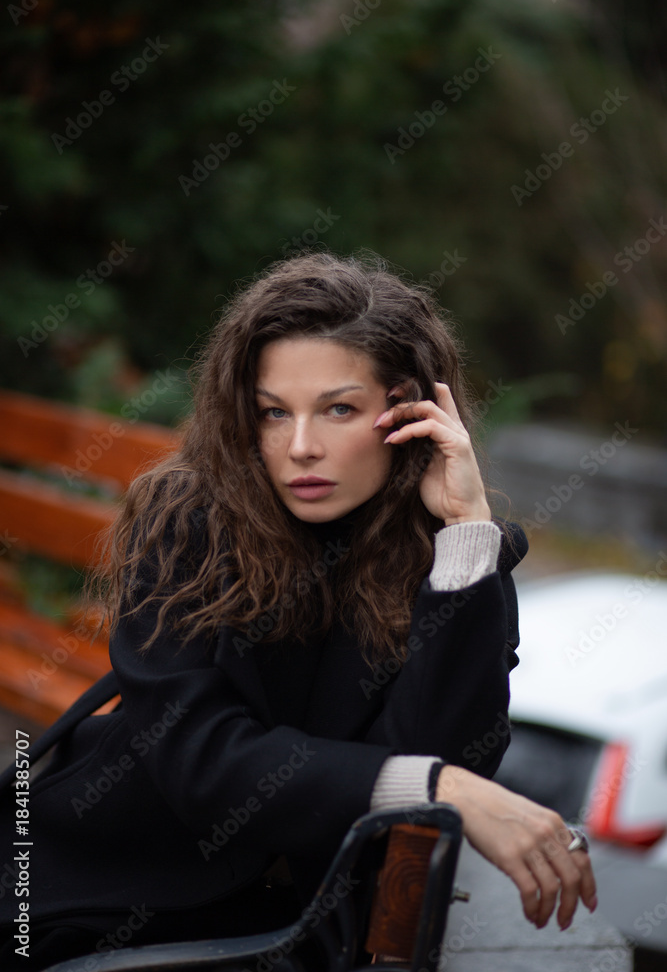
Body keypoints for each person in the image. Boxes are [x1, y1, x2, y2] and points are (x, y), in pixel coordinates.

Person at [0, 251, 596, 970]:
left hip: (307, 916)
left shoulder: (449, 551)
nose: (300, 449)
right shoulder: (188, 518)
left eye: (338, 409)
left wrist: (465, 529)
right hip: (108, 880)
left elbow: (452, 749)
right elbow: (201, 757)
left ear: (405, 407)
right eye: (272, 414)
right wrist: (437, 786)